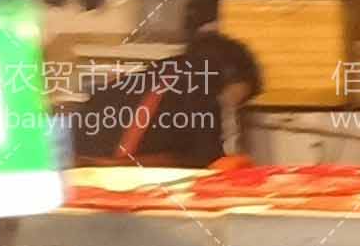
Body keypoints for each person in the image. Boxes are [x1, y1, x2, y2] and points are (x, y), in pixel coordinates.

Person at [73, 12, 262, 168]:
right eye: (239, 98)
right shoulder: (200, 77)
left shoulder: (164, 71)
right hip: (115, 171)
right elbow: (209, 159)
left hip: (84, 164)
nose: (234, 108)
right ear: (233, 75)